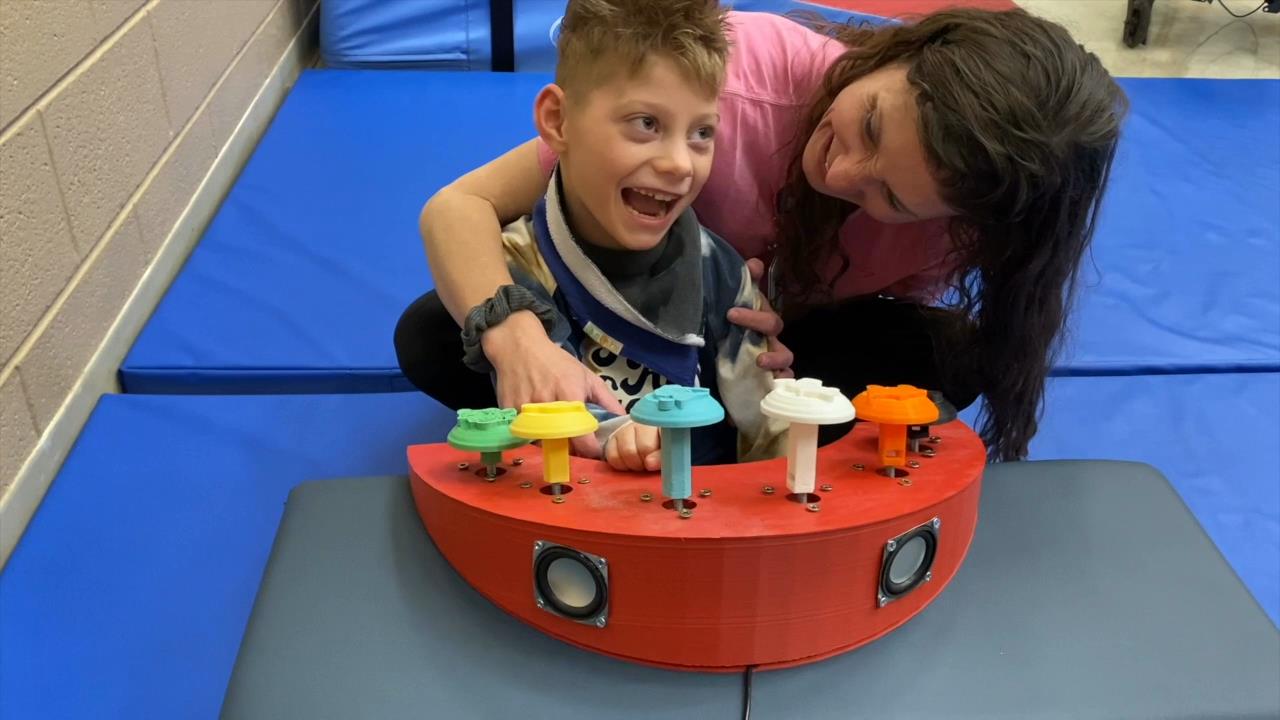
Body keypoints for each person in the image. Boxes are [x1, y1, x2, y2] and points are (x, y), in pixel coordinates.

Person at [395, 4, 1128, 462]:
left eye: (889, 197)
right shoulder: (729, 85)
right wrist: (519, 341)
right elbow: (458, 207)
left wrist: (784, 340)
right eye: (868, 124)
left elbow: (853, 319)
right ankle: (599, 416)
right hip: (620, 316)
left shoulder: (951, 229)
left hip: (750, 341)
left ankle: (741, 442)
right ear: (900, 53)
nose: (845, 175)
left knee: (943, 358)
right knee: (437, 333)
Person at [431, 0, 786, 470]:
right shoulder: (516, 266)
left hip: (708, 508)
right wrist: (624, 438)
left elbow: (765, 430)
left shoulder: (721, 269)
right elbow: (544, 406)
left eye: (702, 132)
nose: (680, 163)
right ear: (558, 121)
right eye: (646, 124)